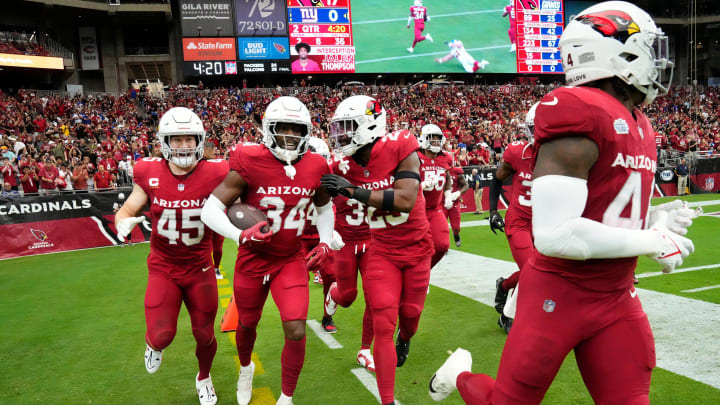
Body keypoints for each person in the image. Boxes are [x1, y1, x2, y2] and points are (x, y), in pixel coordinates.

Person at [428, 2, 696, 403]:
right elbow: (555, 235)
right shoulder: (578, 110)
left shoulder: (640, 122)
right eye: (647, 48)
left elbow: (604, 206)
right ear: (614, 53)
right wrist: (651, 240)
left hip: (617, 295)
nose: (657, 61)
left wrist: (653, 218)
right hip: (560, 292)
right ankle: (461, 375)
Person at [200, 96, 334, 405]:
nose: (289, 136)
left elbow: (324, 208)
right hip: (253, 259)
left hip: (290, 258)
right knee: (247, 322)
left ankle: (286, 398)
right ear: (268, 129)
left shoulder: (316, 164)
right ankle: (245, 367)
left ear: (307, 132)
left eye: (296, 129)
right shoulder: (249, 159)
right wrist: (240, 235)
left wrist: (325, 241)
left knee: (297, 329)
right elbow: (211, 209)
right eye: (282, 128)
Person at [114, 106, 229, 405]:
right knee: (162, 334)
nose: (183, 145)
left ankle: (204, 377)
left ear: (199, 140)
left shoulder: (217, 171)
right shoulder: (149, 171)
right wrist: (122, 221)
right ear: (165, 141)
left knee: (205, 334)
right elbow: (127, 209)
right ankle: (153, 345)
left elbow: (240, 203)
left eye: (189, 138)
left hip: (200, 268)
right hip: (163, 267)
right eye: (176, 139)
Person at [322, 95, 431, 405]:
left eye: (346, 128)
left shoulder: (401, 144)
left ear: (369, 125)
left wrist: (351, 190)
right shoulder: (342, 162)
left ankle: (406, 338)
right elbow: (314, 185)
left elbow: (405, 199)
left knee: (410, 316)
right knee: (383, 323)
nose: (340, 136)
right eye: (338, 129)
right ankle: (387, 400)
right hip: (381, 249)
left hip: (417, 248)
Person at [487, 102, 539, 334]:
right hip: (519, 220)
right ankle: (508, 314)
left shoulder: (563, 156)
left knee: (545, 271)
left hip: (545, 223)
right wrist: (492, 210)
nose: (538, 133)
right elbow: (497, 178)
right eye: (534, 128)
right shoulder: (519, 152)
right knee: (531, 270)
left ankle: (505, 284)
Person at [301, 136, 339, 333]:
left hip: (321, 236)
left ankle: (327, 315)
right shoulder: (294, 178)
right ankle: (296, 315)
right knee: (298, 280)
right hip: (298, 237)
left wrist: (335, 230)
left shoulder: (328, 178)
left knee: (332, 276)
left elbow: (336, 206)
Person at [418, 124, 456, 267]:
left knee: (442, 245)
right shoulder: (415, 157)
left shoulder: (446, 158)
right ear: (423, 139)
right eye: (431, 139)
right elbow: (404, 183)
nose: (435, 142)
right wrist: (422, 185)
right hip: (415, 210)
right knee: (416, 248)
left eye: (437, 139)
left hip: (435, 208)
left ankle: (424, 272)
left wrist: (447, 194)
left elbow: (447, 179)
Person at [203, 142, 225, 280]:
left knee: (217, 246)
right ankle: (209, 268)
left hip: (217, 210)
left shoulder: (220, 166)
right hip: (203, 210)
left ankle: (216, 268)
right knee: (206, 245)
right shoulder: (196, 166)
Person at [444, 162, 468, 247]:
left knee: (456, 227)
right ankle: (444, 243)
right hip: (441, 203)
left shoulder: (456, 171)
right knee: (441, 226)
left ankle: (456, 235)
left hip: (454, 202)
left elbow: (465, 185)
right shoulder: (438, 169)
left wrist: (458, 193)